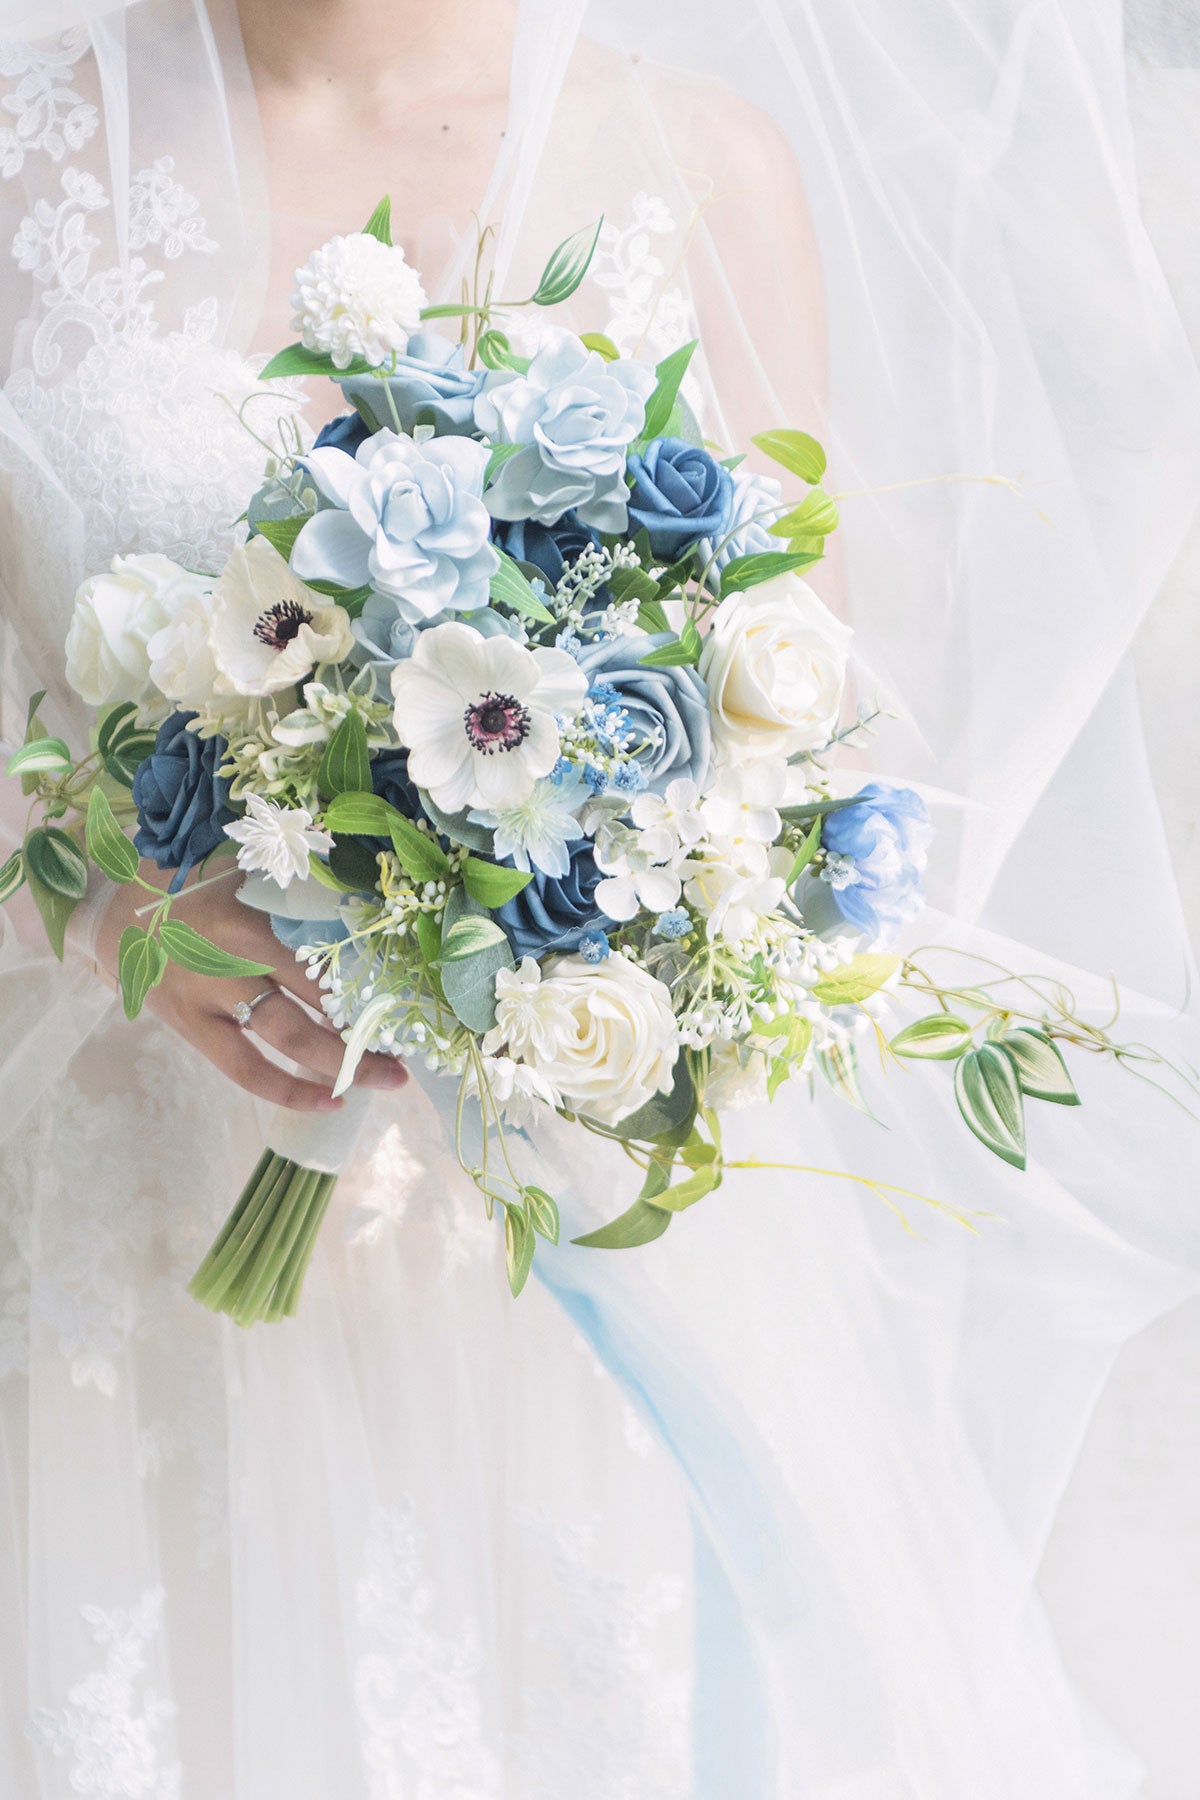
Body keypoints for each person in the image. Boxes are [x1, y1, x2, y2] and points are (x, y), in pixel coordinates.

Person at [0, 0, 1197, 1794]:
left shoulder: (695, 166)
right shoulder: (29, 158)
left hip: (549, 1269)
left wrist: (627, 924)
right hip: (128, 1255)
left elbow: (806, 742)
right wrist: (118, 917)